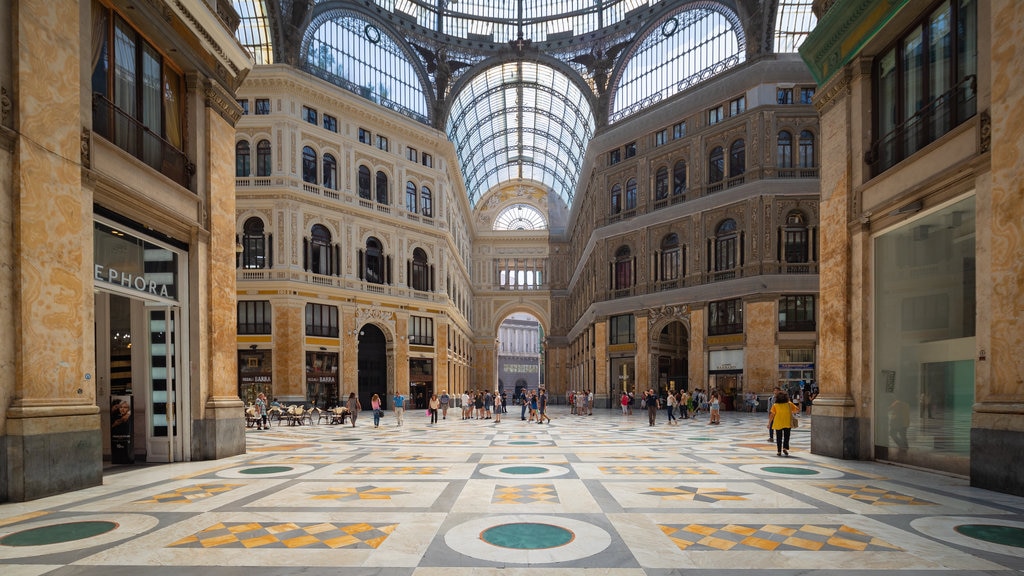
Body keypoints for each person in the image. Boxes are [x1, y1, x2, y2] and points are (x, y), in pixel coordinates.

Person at [768, 391, 799, 456]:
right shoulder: (789, 404)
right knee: (786, 436)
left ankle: (779, 451)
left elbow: (772, 415)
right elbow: (797, 410)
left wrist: (769, 423)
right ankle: (785, 448)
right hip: (787, 422)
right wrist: (790, 412)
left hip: (778, 423)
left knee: (778, 437)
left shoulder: (775, 405)